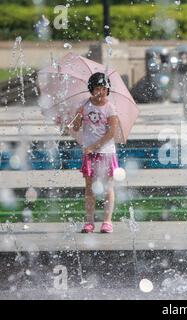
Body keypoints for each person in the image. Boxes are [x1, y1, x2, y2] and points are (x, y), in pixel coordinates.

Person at [72, 72, 119, 233]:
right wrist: (77, 118)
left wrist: (94, 146)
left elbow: (111, 133)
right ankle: (90, 221)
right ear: (91, 89)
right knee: (89, 188)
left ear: (108, 90)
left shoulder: (110, 108)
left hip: (106, 152)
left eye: (104, 89)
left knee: (108, 187)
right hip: (89, 153)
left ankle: (107, 221)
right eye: (98, 89)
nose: (101, 92)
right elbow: (76, 128)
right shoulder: (84, 105)